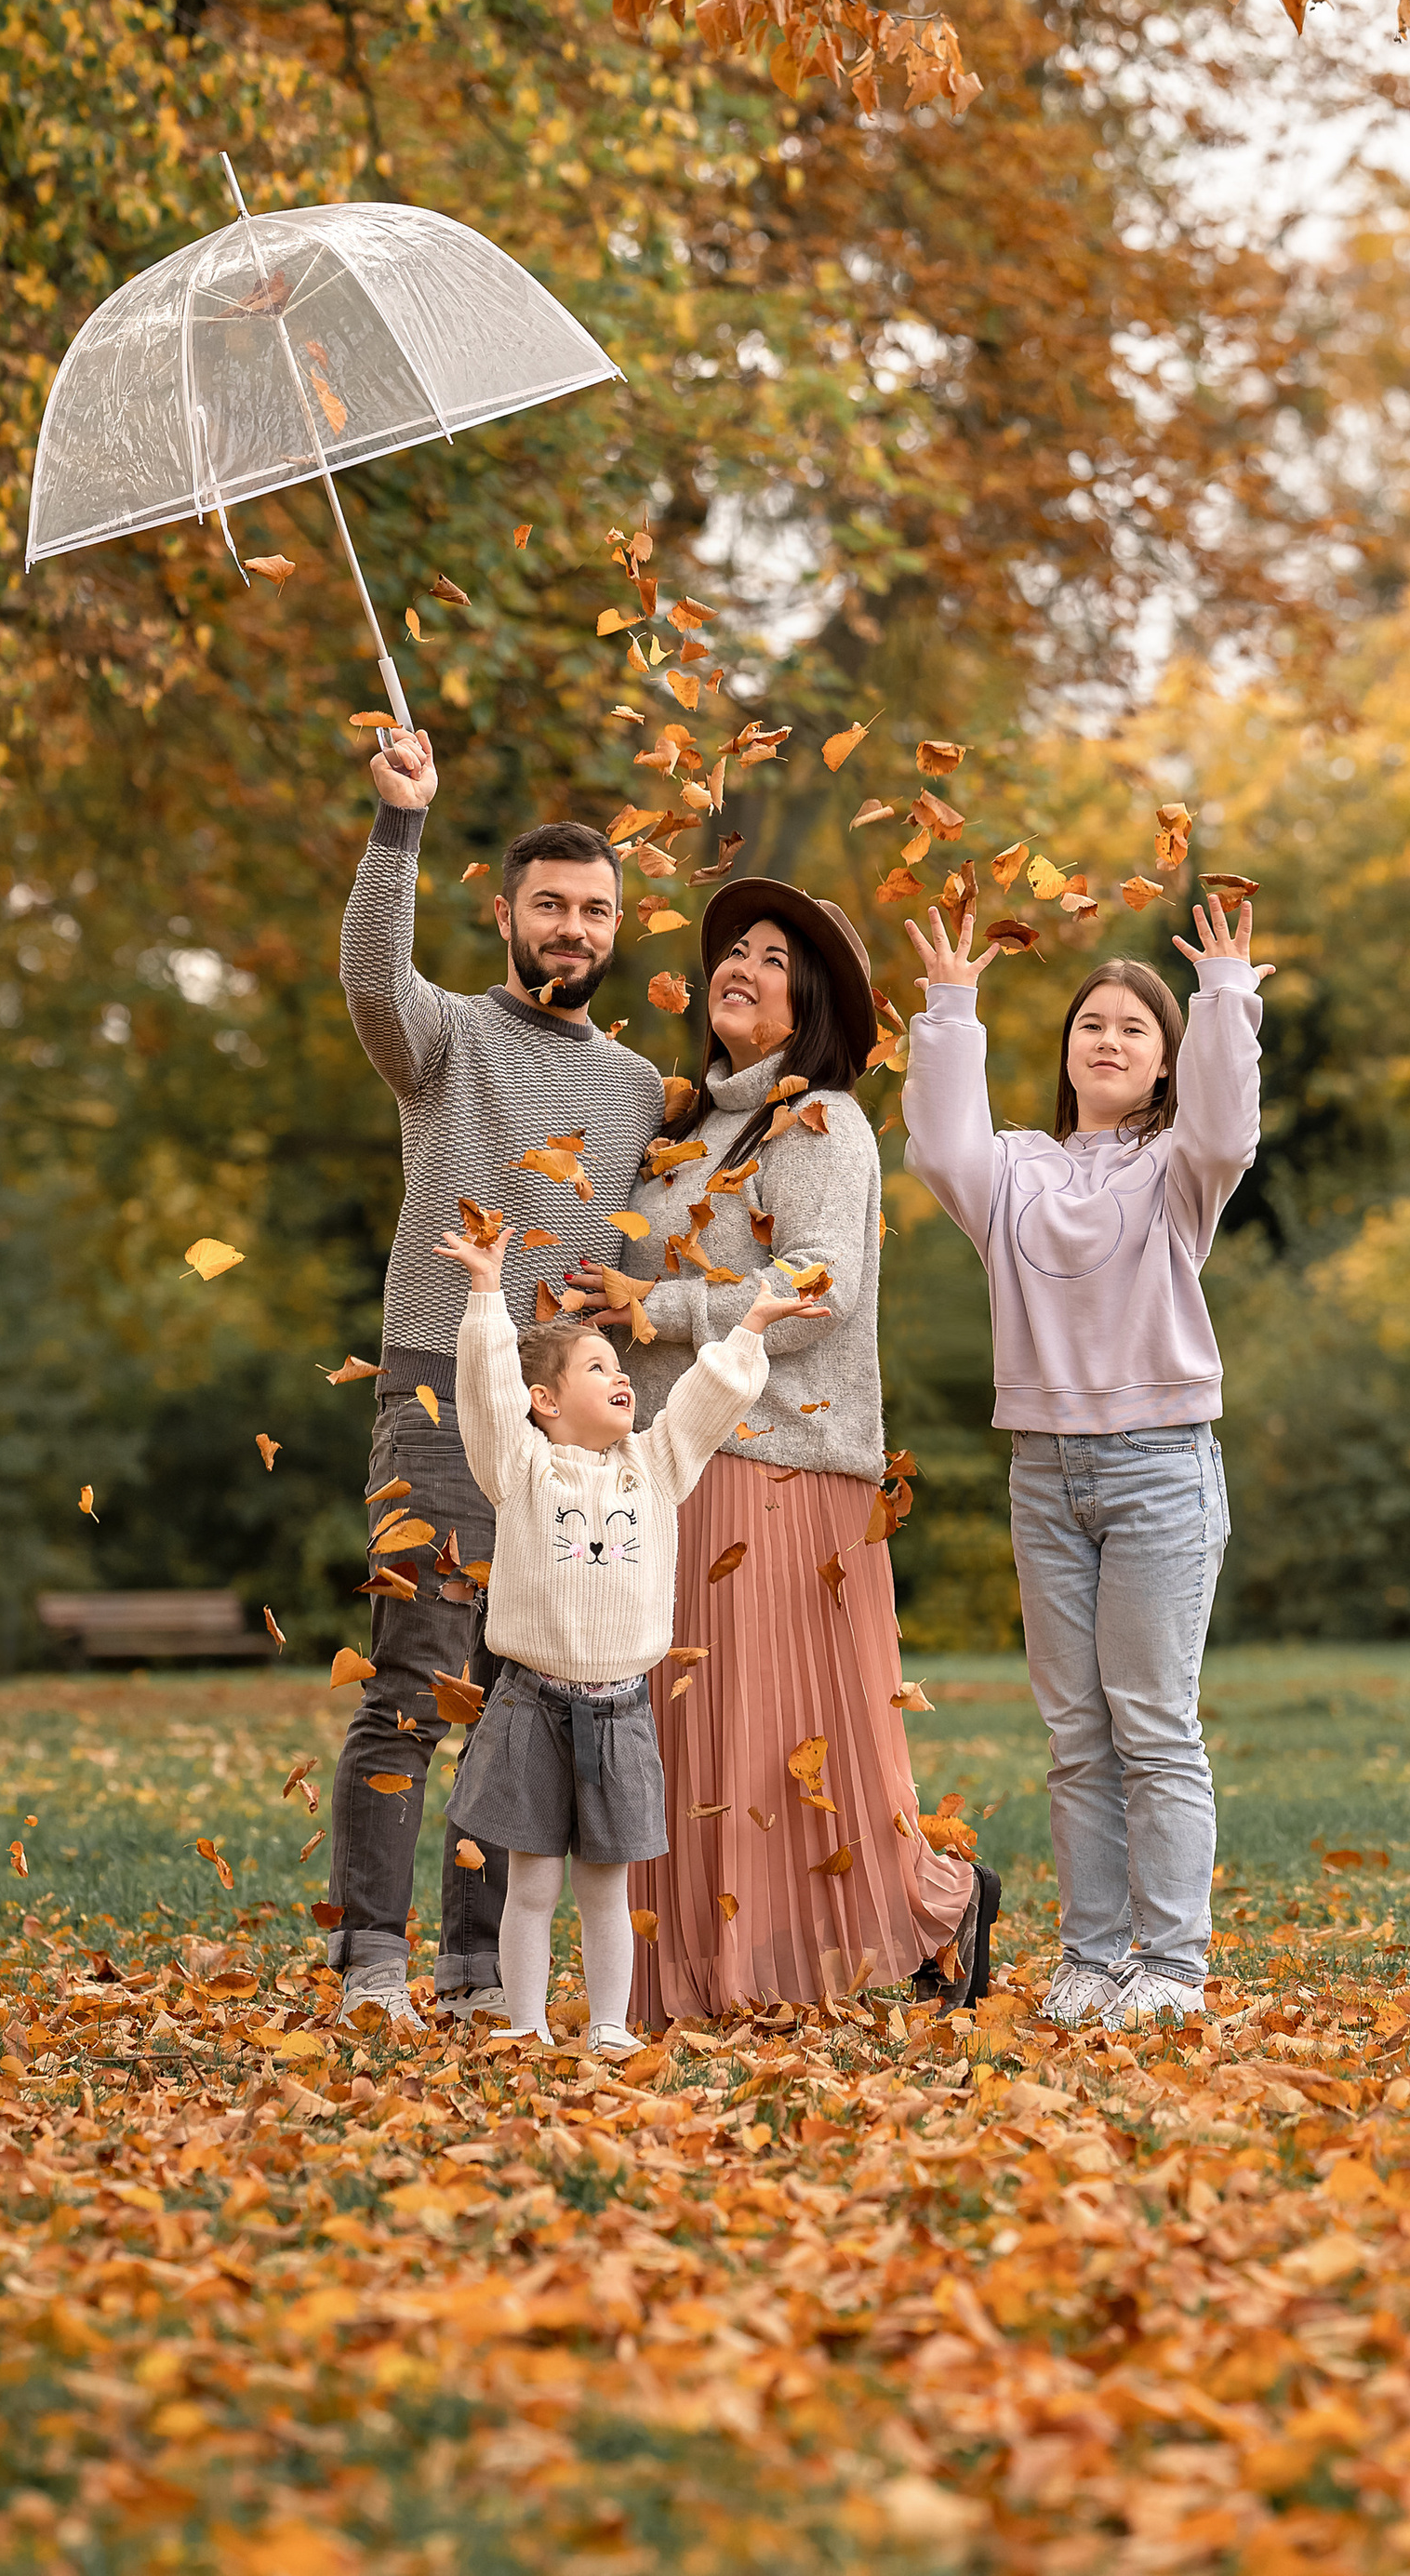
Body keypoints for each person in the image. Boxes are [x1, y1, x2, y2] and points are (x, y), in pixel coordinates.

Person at [592, 878, 990, 2019]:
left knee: (774, 1737)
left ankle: (929, 1912)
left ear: (808, 1003)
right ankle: (707, 1978)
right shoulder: (676, 1131)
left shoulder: (820, 1122)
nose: (744, 965)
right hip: (676, 1456)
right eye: (735, 951)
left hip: (781, 1461)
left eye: (774, 958)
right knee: (688, 1728)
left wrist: (659, 1310)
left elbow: (819, 1288)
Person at [327, 723, 666, 2032]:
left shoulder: (640, 1088)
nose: (573, 929)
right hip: (437, 1390)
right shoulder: (448, 1040)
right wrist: (399, 822)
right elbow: (368, 981)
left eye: (595, 911)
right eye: (551, 906)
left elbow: (661, 1241)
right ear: (509, 915)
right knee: (415, 1679)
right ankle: (373, 1960)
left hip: (568, 1430)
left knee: (521, 1695)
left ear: (614, 930)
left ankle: (482, 1970)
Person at [901, 896, 1268, 2030]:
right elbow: (940, 1145)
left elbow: (1225, 1131)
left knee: (1152, 1722)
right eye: (1089, 1026)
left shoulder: (1176, 1173)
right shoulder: (1013, 1170)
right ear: (1065, 1052)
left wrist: (1221, 999)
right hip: (1045, 1474)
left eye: (1132, 1031)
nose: (1106, 1041)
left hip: (1159, 1466)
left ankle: (1171, 1967)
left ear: (1163, 1067)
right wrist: (951, 1008)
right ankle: (1094, 1957)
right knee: (1076, 1737)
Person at [432, 1215, 830, 2052]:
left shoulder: (655, 1468)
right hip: (531, 1705)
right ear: (545, 1400)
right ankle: (526, 2025)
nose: (623, 1378)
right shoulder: (522, 1467)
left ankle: (610, 2025)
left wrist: (749, 1325)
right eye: (597, 1368)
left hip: (620, 1713)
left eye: (619, 1368)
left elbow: (703, 1400)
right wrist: (483, 1294)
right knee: (531, 1886)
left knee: (606, 1891)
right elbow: (488, 1395)